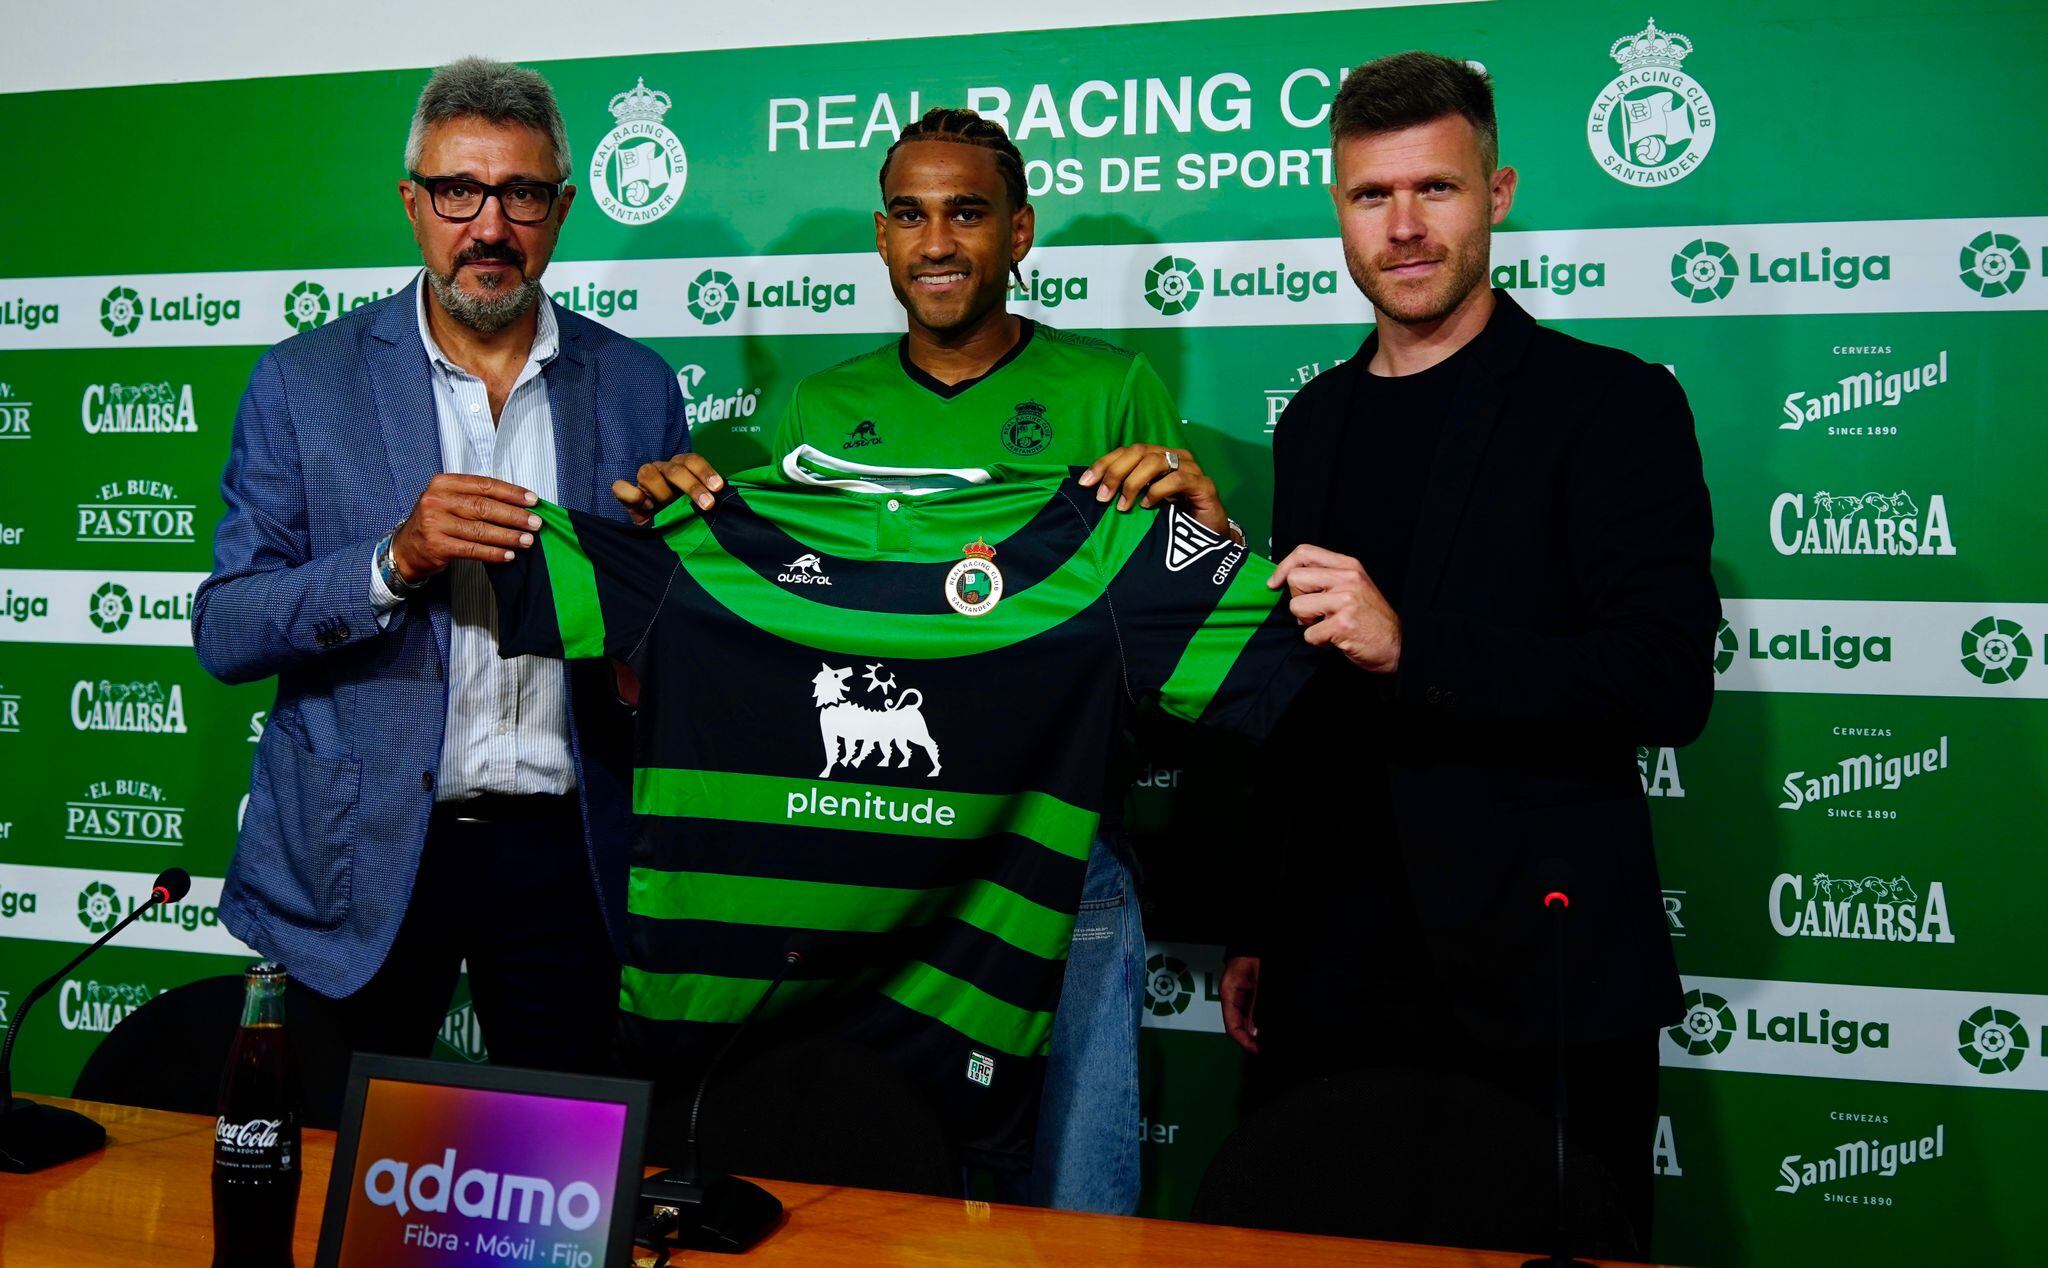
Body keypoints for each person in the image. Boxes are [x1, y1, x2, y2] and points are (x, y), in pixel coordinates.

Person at [616, 107, 1238, 1213]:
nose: (937, 240)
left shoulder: (1114, 388)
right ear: (881, 234)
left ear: (1019, 231)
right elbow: (779, 629)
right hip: (857, 872)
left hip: (1052, 873)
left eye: (966, 212)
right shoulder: (817, 407)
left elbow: (1180, 631)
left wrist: (1211, 524)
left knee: (1069, 1218)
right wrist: (670, 537)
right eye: (910, 213)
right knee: (845, 1204)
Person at [1218, 52, 1718, 1251]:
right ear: (1334, 208)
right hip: (1328, 970)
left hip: (1531, 973)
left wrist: (1413, 646)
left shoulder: (1611, 403)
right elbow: (1303, 694)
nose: (1400, 228)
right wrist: (1256, 921)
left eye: (1432, 191)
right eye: (1367, 196)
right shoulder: (1316, 419)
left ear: (1494, 193)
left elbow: (1664, 677)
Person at [192, 57, 688, 1073]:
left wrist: (652, 654)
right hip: (360, 852)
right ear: (414, 203)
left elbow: (652, 628)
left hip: (568, 851)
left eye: (521, 193)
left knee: (551, 1191)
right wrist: (392, 559)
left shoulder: (635, 384)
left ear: (562, 207)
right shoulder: (302, 380)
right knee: (325, 1185)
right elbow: (227, 627)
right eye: (460, 190)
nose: (491, 226)